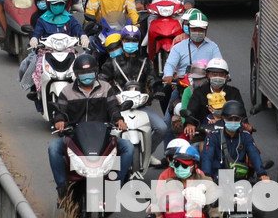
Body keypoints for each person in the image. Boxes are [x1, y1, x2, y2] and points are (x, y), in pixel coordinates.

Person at [49, 55, 133, 194]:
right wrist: (59, 121)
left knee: (128, 148)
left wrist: (119, 120)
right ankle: (61, 187)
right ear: (76, 74)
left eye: (89, 72)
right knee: (53, 149)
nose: (86, 76)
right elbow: (60, 111)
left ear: (96, 72)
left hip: (103, 136)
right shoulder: (67, 91)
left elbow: (113, 108)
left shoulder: (106, 88)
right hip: (74, 136)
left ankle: (117, 184)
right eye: (82, 73)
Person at [100, 24, 169, 157]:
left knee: (162, 128)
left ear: (139, 42)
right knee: (104, 131)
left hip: (140, 106)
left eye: (134, 41)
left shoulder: (145, 62)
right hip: (117, 107)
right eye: (127, 40)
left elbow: (153, 80)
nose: (130, 43)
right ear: (122, 42)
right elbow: (102, 81)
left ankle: (148, 153)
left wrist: (158, 89)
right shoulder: (112, 62)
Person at [199, 100, 267, 181]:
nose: (233, 122)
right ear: (223, 118)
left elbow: (254, 154)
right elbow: (207, 156)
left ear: (241, 120)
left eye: (236, 119)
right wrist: (207, 175)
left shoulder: (245, 136)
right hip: (217, 178)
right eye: (230, 119)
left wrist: (262, 173)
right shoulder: (213, 135)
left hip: (239, 179)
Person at [182, 58, 245, 138]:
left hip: (231, 135)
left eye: (221, 74)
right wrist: (190, 123)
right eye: (214, 74)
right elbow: (192, 110)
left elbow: (242, 114)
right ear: (208, 75)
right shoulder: (199, 92)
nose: (217, 77)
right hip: (204, 135)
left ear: (226, 76)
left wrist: (245, 124)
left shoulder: (234, 93)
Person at [151, 144, 213, 218]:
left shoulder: (207, 182)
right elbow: (157, 206)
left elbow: (214, 210)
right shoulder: (168, 183)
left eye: (184, 165)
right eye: (177, 164)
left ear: (195, 165)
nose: (180, 168)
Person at [162, 11, 221, 85]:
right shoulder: (178, 47)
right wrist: (168, 75)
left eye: (200, 30)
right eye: (194, 29)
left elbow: (219, 64)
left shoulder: (213, 47)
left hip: (206, 85)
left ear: (206, 30)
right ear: (189, 29)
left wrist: (225, 76)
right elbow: (170, 64)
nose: (197, 32)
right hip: (183, 84)